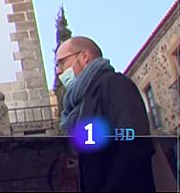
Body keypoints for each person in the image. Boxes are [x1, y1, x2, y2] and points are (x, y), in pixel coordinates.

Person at [56, 36, 155, 191]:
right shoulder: (78, 108)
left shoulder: (114, 84)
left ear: (84, 57)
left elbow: (134, 145)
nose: (58, 71)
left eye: (62, 62)